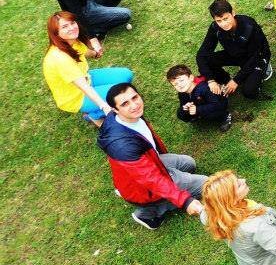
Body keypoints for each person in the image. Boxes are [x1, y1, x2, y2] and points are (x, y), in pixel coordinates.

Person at [97, 82, 206, 230]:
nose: (134, 105)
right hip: (144, 184)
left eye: (135, 98)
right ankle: (147, 213)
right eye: (125, 104)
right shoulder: (122, 146)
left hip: (150, 163)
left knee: (189, 164)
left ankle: (142, 192)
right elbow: (152, 179)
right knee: (208, 184)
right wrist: (185, 201)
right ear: (115, 110)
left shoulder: (126, 117)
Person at [42, 11, 134, 126]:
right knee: (120, 94)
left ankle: (96, 107)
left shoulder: (71, 40)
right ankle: (94, 114)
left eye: (72, 23)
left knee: (126, 75)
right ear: (56, 33)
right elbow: (84, 87)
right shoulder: (60, 58)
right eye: (65, 26)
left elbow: (84, 51)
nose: (72, 28)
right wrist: (104, 106)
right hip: (76, 96)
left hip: (86, 77)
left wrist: (95, 54)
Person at [196, 0, 273, 100]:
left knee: (248, 91)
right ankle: (224, 80)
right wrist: (210, 80)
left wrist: (236, 80)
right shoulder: (215, 28)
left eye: (226, 18)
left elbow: (257, 55)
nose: (223, 24)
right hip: (235, 54)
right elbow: (202, 54)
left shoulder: (249, 25)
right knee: (207, 60)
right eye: (219, 21)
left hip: (257, 57)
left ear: (233, 13)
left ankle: (263, 72)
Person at [166, 64, 232, 132]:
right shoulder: (182, 93)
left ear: (191, 78)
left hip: (219, 103)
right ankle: (197, 114)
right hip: (201, 104)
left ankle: (225, 116)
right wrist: (184, 109)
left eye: (181, 80)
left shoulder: (204, 89)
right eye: (175, 84)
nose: (179, 85)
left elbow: (217, 105)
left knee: (208, 114)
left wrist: (198, 109)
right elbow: (182, 107)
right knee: (182, 114)